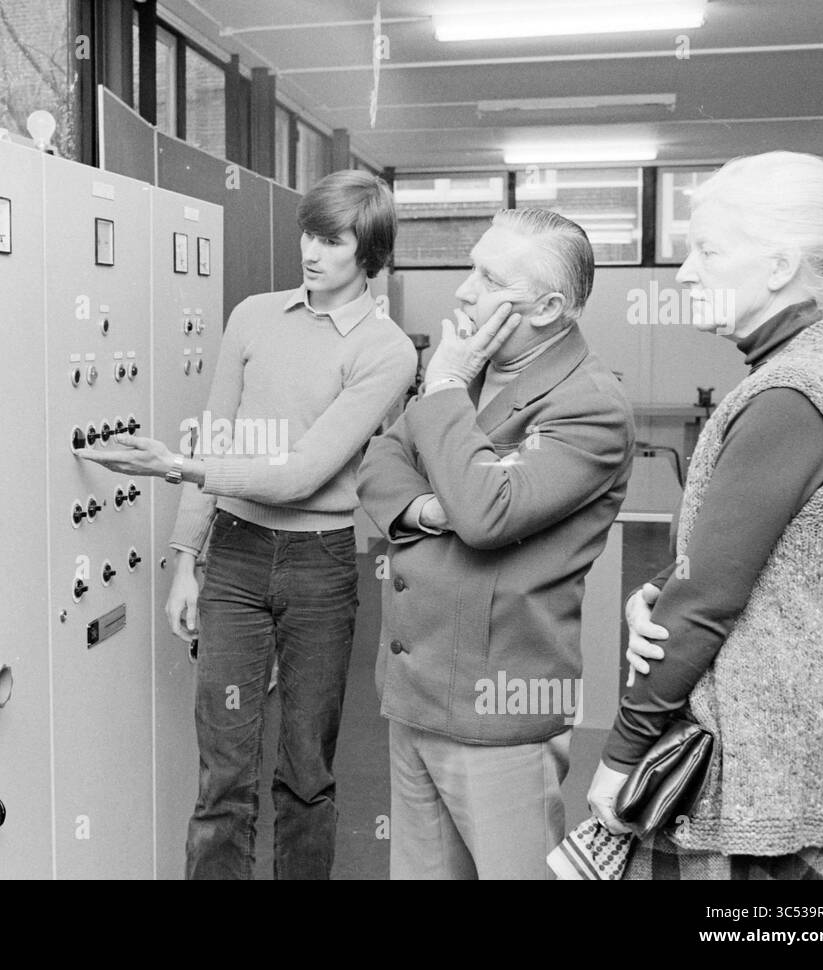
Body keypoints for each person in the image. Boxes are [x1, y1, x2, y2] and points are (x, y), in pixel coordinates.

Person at [76, 170, 416, 879]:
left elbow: (301, 474)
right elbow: (216, 434)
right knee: (223, 775)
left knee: (305, 773)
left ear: (370, 251)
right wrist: (183, 562)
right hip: (232, 555)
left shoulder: (387, 352)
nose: (312, 252)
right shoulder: (253, 315)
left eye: (333, 240)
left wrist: (176, 467)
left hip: (318, 565)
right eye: (309, 234)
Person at [587, 151, 823, 880]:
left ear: (779, 266)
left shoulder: (789, 397)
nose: (685, 272)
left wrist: (621, 754)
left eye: (708, 249)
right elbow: (757, 561)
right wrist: (658, 594)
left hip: (769, 795)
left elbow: (712, 600)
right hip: (798, 773)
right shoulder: (820, 376)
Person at [357, 208, 635, 879]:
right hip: (415, 689)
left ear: (548, 308)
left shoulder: (589, 406)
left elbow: (485, 512)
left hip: (496, 706)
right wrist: (432, 504)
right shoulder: (475, 371)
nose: (464, 290)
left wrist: (445, 386)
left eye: (489, 277)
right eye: (471, 267)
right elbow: (379, 465)